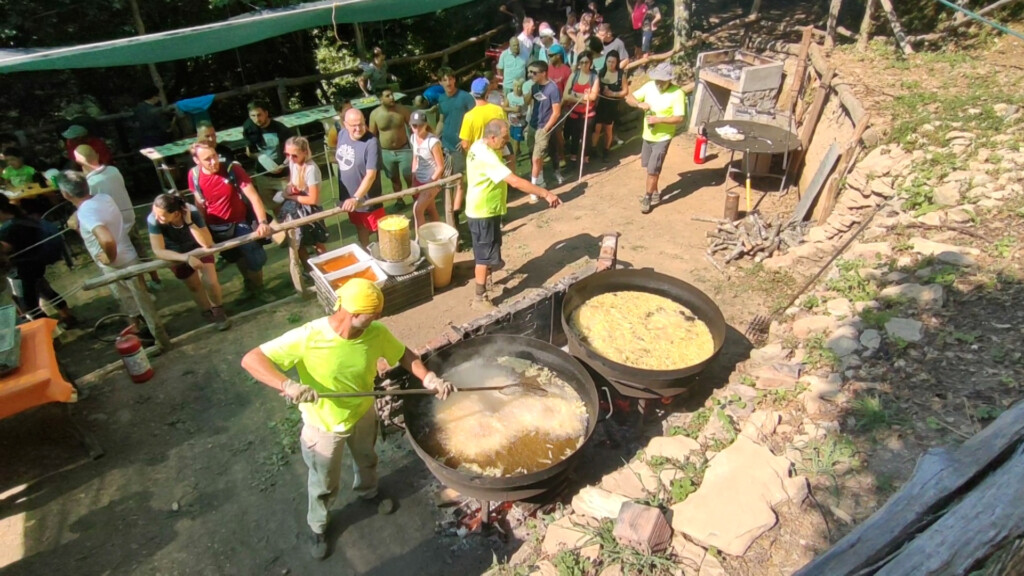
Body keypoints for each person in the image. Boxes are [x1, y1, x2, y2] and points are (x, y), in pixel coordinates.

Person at [240, 278, 455, 560]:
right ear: (352, 313)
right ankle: (318, 525)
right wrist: (288, 385)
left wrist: (428, 377)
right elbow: (251, 359)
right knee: (324, 481)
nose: (379, 318)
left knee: (367, 458)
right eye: (373, 314)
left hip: (363, 412)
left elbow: (403, 354)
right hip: (324, 426)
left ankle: (368, 492)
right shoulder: (308, 337)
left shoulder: (375, 332)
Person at [466, 119, 560, 311]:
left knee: (490, 249)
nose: (506, 143)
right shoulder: (488, 157)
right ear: (492, 138)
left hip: (486, 209)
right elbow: (515, 182)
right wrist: (545, 193)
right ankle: (479, 297)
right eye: (504, 139)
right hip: (482, 212)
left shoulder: (479, 145)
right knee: (483, 257)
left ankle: (488, 281)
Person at [57, 170, 148, 327]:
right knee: (140, 297)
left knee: (126, 299)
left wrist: (109, 257)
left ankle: (141, 331)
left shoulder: (85, 212)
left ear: (65, 194)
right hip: (129, 255)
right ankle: (146, 326)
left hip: (115, 263)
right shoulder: (104, 198)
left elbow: (106, 239)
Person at [188, 142, 275, 301]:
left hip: (240, 222)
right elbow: (199, 204)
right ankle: (249, 286)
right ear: (197, 160)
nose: (213, 161)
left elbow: (253, 197)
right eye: (208, 159)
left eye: (214, 156)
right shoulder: (194, 175)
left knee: (256, 258)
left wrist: (262, 222)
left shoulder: (232, 169)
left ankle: (259, 289)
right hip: (216, 226)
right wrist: (202, 230)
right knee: (236, 257)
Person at [75, 144, 163, 291]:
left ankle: (139, 289)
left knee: (127, 259)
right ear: (96, 155)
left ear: (79, 163)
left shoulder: (90, 184)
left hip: (114, 224)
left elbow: (88, 204)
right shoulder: (113, 171)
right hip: (129, 217)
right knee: (140, 252)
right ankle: (155, 280)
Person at [147, 193, 230, 331]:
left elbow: (207, 243)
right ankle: (206, 311)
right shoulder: (153, 219)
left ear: (176, 213)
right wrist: (185, 258)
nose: (156, 217)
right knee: (194, 285)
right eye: (155, 213)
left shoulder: (192, 212)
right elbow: (158, 251)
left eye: (161, 215)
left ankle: (218, 309)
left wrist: (190, 222)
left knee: (210, 281)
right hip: (174, 252)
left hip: (197, 247)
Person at [0, 195, 76, 326]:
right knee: (47, 292)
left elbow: (3, 251)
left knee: (28, 307)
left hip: (22, 272)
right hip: (36, 264)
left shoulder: (8, 230)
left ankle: (46, 332)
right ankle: (67, 316)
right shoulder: (22, 218)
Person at [625, 62, 686, 214]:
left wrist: (658, 120)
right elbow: (629, 97)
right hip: (647, 135)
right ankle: (655, 192)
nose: (659, 83)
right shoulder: (649, 86)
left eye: (662, 81)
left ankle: (647, 197)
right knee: (648, 166)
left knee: (653, 170)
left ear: (669, 80)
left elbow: (679, 118)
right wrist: (639, 104)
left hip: (663, 137)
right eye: (657, 80)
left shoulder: (677, 93)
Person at [279, 136, 329, 281]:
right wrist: (289, 189)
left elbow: (313, 199)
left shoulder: (311, 169)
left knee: (318, 242)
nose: (290, 158)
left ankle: (326, 269)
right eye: (287, 154)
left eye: (294, 155)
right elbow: (292, 182)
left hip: (310, 209)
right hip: (296, 207)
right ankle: (309, 271)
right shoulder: (293, 163)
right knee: (297, 242)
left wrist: (290, 197)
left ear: (305, 152)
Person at [335, 108, 386, 248]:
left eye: (361, 124)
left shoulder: (372, 142)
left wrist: (356, 198)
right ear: (345, 124)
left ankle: (386, 257)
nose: (358, 128)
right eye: (354, 125)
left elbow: (371, 175)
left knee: (380, 230)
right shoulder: (342, 134)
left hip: (366, 199)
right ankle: (366, 253)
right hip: (348, 199)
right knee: (360, 227)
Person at [435, 67, 476, 226]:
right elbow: (442, 119)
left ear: (454, 80)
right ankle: (452, 212)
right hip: (445, 145)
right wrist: (435, 137)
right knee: (447, 180)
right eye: (444, 79)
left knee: (459, 179)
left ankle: (456, 217)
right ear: (440, 82)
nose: (448, 82)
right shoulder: (441, 99)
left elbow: (475, 119)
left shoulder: (466, 97)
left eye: (450, 78)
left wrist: (468, 139)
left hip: (461, 146)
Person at [368, 89, 413, 210]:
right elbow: (372, 135)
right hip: (386, 152)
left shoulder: (402, 110)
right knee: (394, 179)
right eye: (387, 96)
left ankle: (416, 199)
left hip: (404, 149)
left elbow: (413, 126)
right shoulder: (375, 114)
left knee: (409, 176)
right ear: (380, 99)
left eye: (392, 94)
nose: (392, 97)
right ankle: (399, 201)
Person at [242, 99, 293, 206]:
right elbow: (249, 152)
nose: (256, 119)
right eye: (253, 116)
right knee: (273, 207)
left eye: (259, 115)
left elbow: (293, 150)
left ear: (266, 113)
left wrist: (283, 165)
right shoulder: (249, 128)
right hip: (263, 176)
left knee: (293, 203)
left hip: (283, 176)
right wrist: (259, 157)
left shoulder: (280, 129)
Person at [526, 61, 563, 196]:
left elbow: (556, 112)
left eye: (534, 73)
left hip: (543, 128)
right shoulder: (535, 86)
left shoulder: (553, 89)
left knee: (536, 158)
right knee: (533, 154)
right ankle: (539, 179)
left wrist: (546, 129)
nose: (530, 75)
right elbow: (527, 102)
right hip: (532, 126)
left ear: (543, 73)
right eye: (529, 72)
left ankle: (534, 189)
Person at [562, 50, 599, 167]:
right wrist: (584, 97)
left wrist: (575, 95)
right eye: (581, 62)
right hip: (575, 112)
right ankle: (573, 159)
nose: (584, 65)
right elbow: (565, 95)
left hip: (588, 113)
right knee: (574, 136)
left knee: (587, 136)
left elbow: (593, 97)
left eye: (586, 62)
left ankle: (586, 159)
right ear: (578, 63)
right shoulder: (574, 76)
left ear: (590, 63)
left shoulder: (594, 78)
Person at [409, 110, 444, 231]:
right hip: (419, 179)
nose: (417, 128)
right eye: (414, 125)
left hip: (432, 180)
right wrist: (413, 178)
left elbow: (440, 167)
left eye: (420, 125)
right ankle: (439, 233)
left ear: (425, 125)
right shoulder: (413, 138)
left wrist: (430, 183)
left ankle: (422, 241)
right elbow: (415, 158)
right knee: (430, 208)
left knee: (418, 210)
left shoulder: (432, 142)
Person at [592, 52, 627, 162]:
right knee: (596, 128)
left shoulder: (621, 74)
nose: (610, 64)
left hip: (612, 105)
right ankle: (593, 150)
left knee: (608, 129)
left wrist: (613, 94)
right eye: (608, 61)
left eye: (613, 62)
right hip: (600, 104)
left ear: (617, 63)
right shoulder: (601, 73)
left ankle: (606, 150)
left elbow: (625, 91)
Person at [460, 78, 508, 153]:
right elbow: (506, 132)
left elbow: (465, 144)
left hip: (478, 160)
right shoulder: (498, 110)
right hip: (496, 158)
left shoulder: (469, 116)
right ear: (487, 92)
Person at [504, 79, 528, 160]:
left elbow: (528, 111)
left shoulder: (524, 98)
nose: (517, 88)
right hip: (511, 123)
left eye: (519, 87)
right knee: (513, 138)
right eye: (515, 86)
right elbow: (504, 107)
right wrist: (513, 109)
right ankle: (519, 152)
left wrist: (522, 115)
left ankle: (514, 157)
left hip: (520, 124)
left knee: (516, 141)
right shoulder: (510, 96)